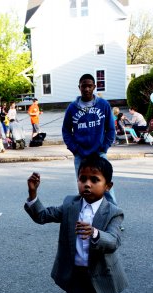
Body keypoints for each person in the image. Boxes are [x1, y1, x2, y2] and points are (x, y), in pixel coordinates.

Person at [24, 154, 128, 293]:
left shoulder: (113, 212)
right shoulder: (71, 205)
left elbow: (114, 241)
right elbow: (43, 216)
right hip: (76, 277)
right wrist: (33, 194)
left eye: (94, 179)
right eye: (83, 178)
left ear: (108, 185)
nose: (87, 184)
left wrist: (95, 233)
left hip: (103, 277)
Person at [62, 74, 116, 205]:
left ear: (94, 87)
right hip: (81, 155)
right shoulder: (72, 108)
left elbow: (110, 129)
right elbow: (66, 130)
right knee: (85, 189)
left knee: (106, 188)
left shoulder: (103, 105)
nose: (86, 89)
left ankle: (115, 220)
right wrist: (75, 149)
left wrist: (104, 147)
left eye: (89, 86)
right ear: (79, 87)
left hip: (99, 153)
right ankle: (88, 219)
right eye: (83, 86)